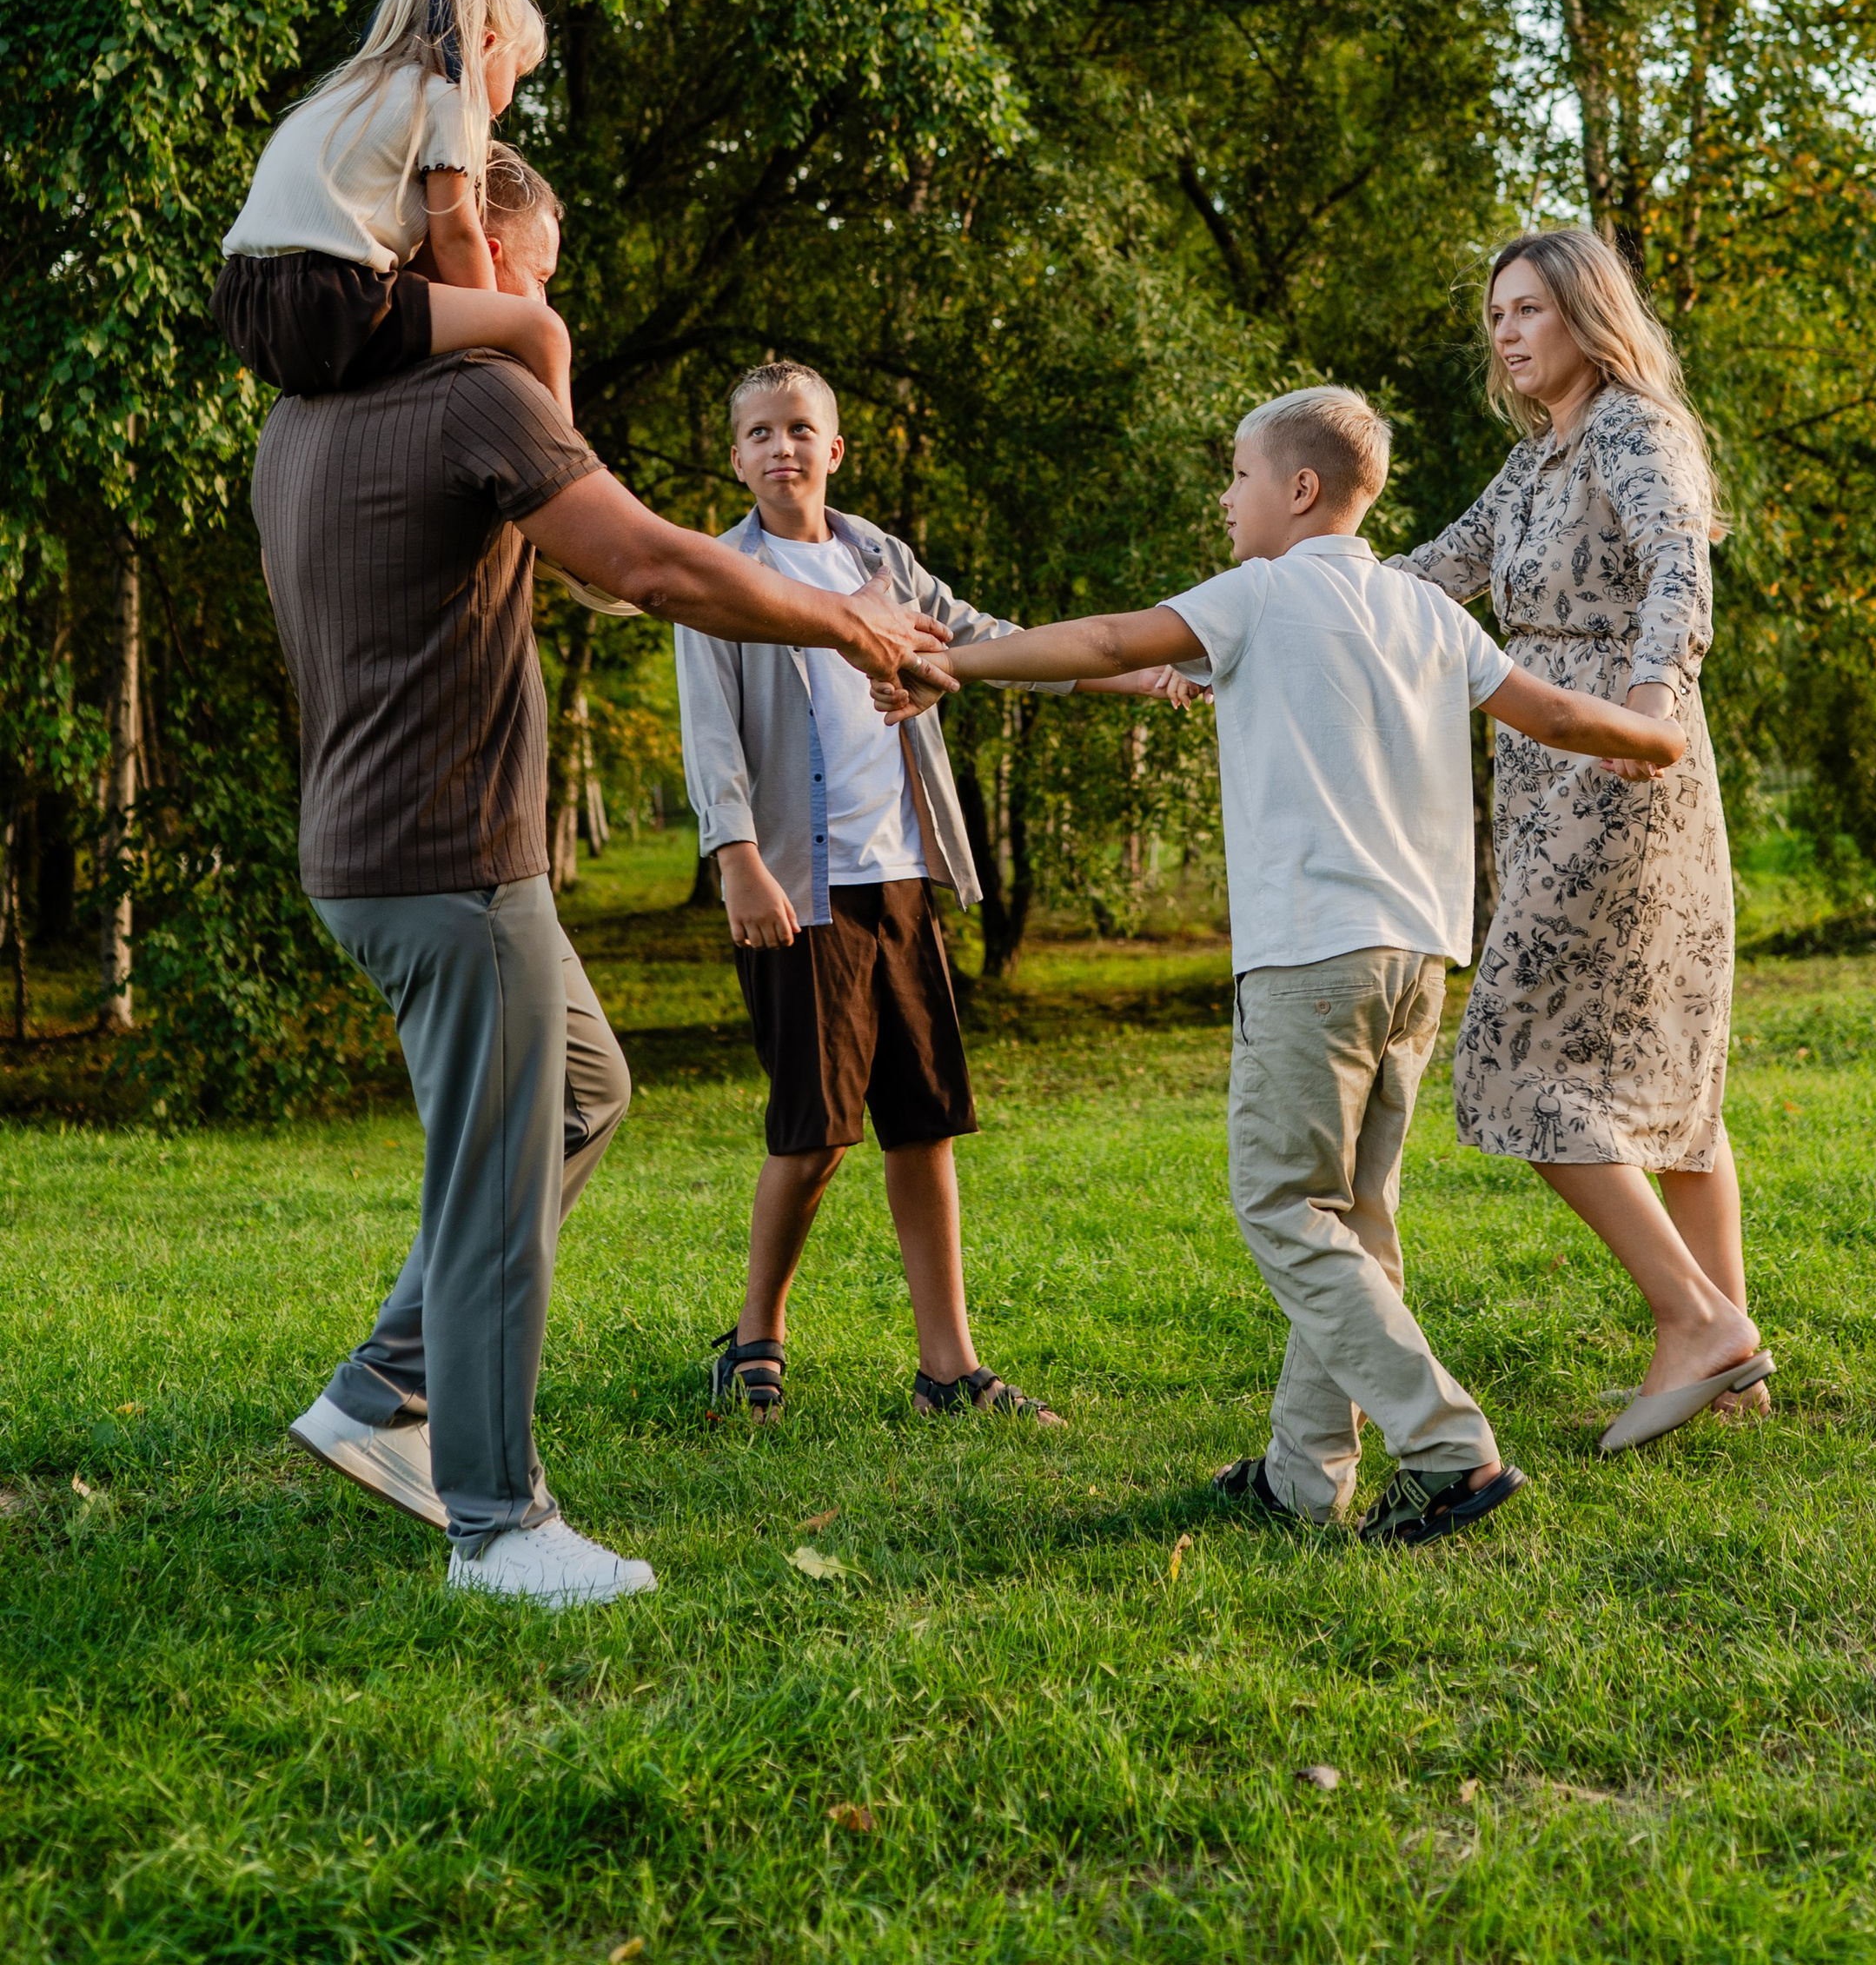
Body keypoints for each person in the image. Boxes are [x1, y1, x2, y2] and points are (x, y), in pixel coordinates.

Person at [263, 201, 951, 1610]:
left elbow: (598, 556)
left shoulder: (307, 411)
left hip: (376, 846)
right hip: (450, 854)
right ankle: (495, 1522)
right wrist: (848, 621)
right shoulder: (466, 397)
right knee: (502, 1169)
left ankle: (383, 1384)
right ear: (465, 247)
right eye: (539, 269)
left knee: (584, 1093)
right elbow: (645, 566)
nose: (543, 298)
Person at [909, 385, 1687, 1543]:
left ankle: (1449, 1448)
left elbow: (1112, 640)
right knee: (1354, 1219)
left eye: (1238, 475)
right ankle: (1303, 1476)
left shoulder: (1260, 594)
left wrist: (960, 664)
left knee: (1284, 1207)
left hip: (1311, 958)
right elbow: (1562, 717)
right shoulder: (1424, 609)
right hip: (1416, 958)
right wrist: (1653, 734)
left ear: (1301, 488)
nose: (1227, 499)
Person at [675, 360, 1190, 1431]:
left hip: (899, 873)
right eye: (759, 431)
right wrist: (736, 856)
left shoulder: (880, 559)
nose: (781, 446)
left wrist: (1136, 671)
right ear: (734, 456)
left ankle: (948, 1368)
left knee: (922, 1122)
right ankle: (755, 1338)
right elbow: (709, 727)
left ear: (834, 448)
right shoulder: (719, 573)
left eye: (799, 427)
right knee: (814, 1132)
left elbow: (984, 639)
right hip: (799, 884)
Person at [1391, 226, 1772, 1453]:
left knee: (1510, 1056)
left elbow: (1677, 570)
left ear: (1586, 316)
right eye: (1496, 313)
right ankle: (1734, 1361)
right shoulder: (1534, 460)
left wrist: (1649, 705)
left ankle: (1696, 1322)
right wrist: (1269, 618)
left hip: (1621, 761)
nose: (1506, 332)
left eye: (1530, 310)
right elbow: (1428, 575)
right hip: (1545, 769)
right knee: (1667, 1066)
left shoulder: (1631, 427)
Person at [213, 0, 573, 415]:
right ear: (487, 46)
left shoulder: (347, 90)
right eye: (518, 72)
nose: (511, 95)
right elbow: (456, 236)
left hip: (245, 302)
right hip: (330, 302)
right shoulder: (448, 98)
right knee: (543, 330)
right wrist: (498, 321)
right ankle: (564, 451)